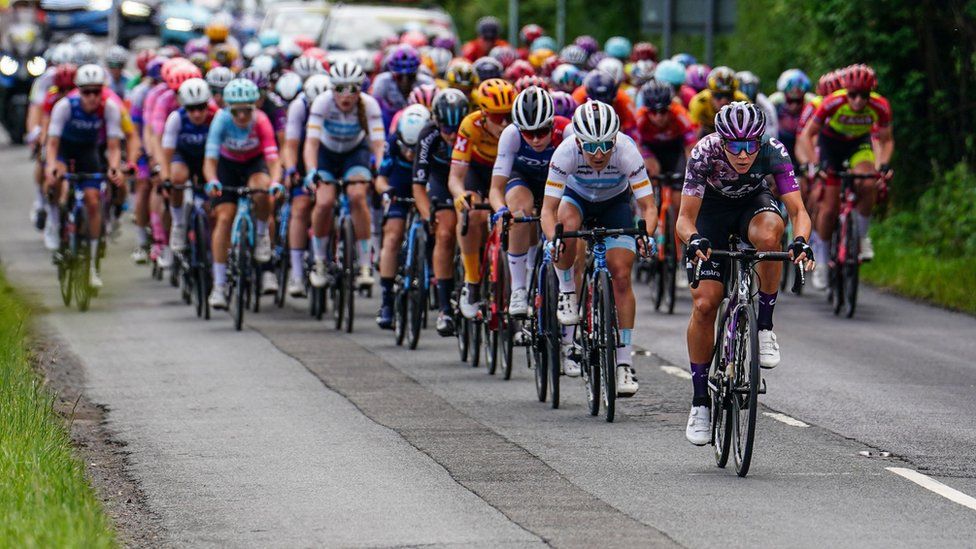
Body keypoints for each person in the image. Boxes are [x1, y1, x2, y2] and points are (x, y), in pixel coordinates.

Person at [676, 102, 813, 445]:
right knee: (706, 304)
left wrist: (801, 241)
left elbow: (798, 209)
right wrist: (694, 241)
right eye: (734, 145)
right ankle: (700, 403)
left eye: (750, 145)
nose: (742, 154)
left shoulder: (773, 151)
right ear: (721, 141)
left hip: (754, 205)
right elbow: (684, 219)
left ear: (760, 141)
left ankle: (764, 326)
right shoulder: (704, 153)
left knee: (770, 238)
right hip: (711, 212)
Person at [540, 100, 658, 396]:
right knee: (565, 227)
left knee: (620, 273)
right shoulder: (565, 152)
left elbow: (648, 205)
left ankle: (623, 363)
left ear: (615, 139)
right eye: (590, 146)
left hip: (614, 205)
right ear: (577, 141)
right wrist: (553, 240)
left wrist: (647, 234)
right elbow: (548, 209)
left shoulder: (627, 151)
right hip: (576, 199)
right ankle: (568, 293)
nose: (598, 153)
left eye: (606, 144)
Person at [488, 86, 575, 372]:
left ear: (553, 123)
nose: (536, 139)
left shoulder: (567, 132)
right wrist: (500, 210)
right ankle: (519, 290)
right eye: (529, 133)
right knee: (519, 212)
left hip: (558, 183)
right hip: (523, 180)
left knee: (567, 222)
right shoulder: (510, 135)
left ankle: (568, 333)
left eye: (542, 131)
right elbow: (496, 188)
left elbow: (579, 183)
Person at [796, 64, 893, 286]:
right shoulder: (832, 102)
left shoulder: (880, 106)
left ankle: (861, 237)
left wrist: (884, 165)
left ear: (871, 93)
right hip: (831, 146)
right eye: (853, 95)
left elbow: (886, 140)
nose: (858, 101)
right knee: (829, 208)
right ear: (845, 91)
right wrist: (814, 164)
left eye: (864, 95)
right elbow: (807, 136)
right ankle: (820, 263)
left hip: (859, 145)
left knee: (868, 183)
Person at [302, 60, 385, 290]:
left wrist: (379, 171)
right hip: (327, 154)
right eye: (339, 88)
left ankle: (365, 264)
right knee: (324, 201)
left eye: (352, 89)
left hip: (354, 153)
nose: (345, 96)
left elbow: (379, 145)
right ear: (332, 89)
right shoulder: (322, 102)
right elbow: (311, 144)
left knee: (358, 196)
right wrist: (311, 171)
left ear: (360, 90)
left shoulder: (369, 105)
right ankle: (319, 260)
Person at [203, 78, 283, 310]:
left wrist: (276, 181)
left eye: (246, 111)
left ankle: (261, 237)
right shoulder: (221, 120)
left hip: (253, 164)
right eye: (236, 111)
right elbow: (210, 160)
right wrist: (212, 181)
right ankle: (218, 286)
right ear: (229, 108)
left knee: (262, 188)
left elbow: (273, 159)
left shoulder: (261, 121)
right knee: (224, 217)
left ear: (254, 107)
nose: (241, 117)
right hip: (227, 166)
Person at [44, 64, 126, 289]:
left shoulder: (109, 108)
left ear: (102, 91)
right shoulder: (64, 107)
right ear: (78, 91)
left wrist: (114, 168)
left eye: (96, 92)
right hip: (64, 150)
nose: (91, 97)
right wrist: (51, 166)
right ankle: (55, 223)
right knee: (54, 179)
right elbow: (52, 144)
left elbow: (114, 146)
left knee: (92, 200)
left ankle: (92, 266)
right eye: (86, 92)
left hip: (89, 152)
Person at [449, 78, 516, 320]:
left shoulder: (517, 126)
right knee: (472, 214)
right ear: (484, 113)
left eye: (509, 114)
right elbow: (455, 175)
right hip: (478, 170)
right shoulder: (471, 124)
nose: (506, 122)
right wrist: (460, 195)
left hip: (507, 170)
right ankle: (472, 281)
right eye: (498, 117)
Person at [413, 88, 469, 336]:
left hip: (468, 179)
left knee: (474, 224)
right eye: (447, 129)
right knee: (445, 233)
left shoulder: (470, 132)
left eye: (457, 129)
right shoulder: (428, 135)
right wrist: (428, 217)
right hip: (439, 181)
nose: (452, 135)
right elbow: (417, 185)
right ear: (436, 121)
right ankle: (445, 308)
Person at [374, 105, 432, 328]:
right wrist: (386, 191)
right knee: (392, 235)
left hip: (424, 183)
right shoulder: (392, 141)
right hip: (399, 184)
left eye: (414, 148)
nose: (409, 153)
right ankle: (387, 300)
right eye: (405, 147)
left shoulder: (431, 141)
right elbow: (380, 178)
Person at [281, 74, 330, 297]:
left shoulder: (336, 105)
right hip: (304, 155)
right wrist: (291, 170)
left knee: (330, 203)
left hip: (329, 155)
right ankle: (297, 274)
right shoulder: (298, 107)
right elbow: (290, 145)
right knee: (300, 207)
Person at [159, 78, 216, 256]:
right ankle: (178, 224)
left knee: (211, 205)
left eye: (201, 107)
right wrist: (166, 178)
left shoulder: (216, 116)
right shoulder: (176, 118)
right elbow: (166, 153)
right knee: (177, 178)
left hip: (208, 158)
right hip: (182, 156)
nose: (197, 114)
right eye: (191, 109)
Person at [687, 66, 750, 136]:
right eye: (718, 95)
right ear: (710, 93)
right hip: (707, 130)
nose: (724, 101)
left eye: (728, 95)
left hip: (733, 131)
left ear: (734, 94)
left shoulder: (742, 101)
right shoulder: (700, 101)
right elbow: (692, 131)